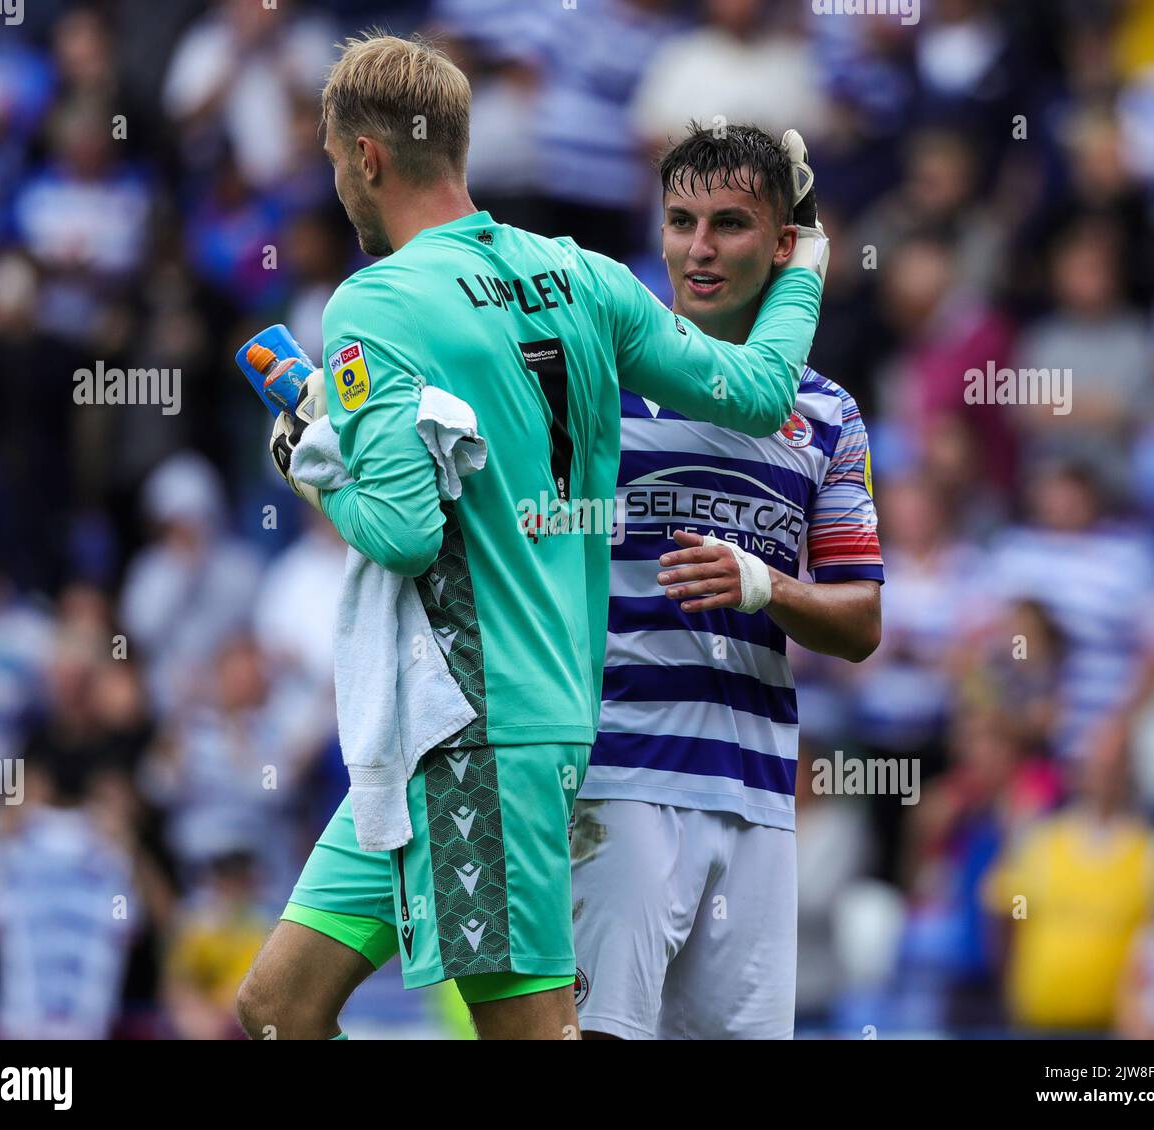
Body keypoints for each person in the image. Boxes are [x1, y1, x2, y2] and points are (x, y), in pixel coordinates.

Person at [237, 33, 827, 1041]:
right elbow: (762, 389)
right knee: (278, 1007)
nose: (336, 184)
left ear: (369, 158)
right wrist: (803, 259)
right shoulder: (584, 277)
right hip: (456, 727)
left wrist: (304, 452)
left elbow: (404, 529)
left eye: (335, 161)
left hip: (476, 726)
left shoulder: (373, 303)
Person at [570, 123, 883, 1039]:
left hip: (756, 794)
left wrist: (766, 587)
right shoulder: (596, 386)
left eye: (730, 225)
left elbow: (862, 621)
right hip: (616, 775)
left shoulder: (827, 413)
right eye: (679, 222)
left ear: (786, 246)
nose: (698, 250)